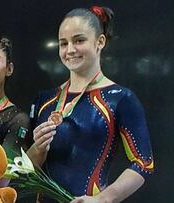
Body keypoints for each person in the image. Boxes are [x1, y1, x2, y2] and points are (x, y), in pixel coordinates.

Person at [27, 6, 154, 203]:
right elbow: (24, 171)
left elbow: (143, 163)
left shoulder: (121, 98)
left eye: (79, 40)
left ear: (100, 41)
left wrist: (103, 199)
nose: (70, 50)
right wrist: (37, 150)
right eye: (63, 43)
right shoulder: (45, 100)